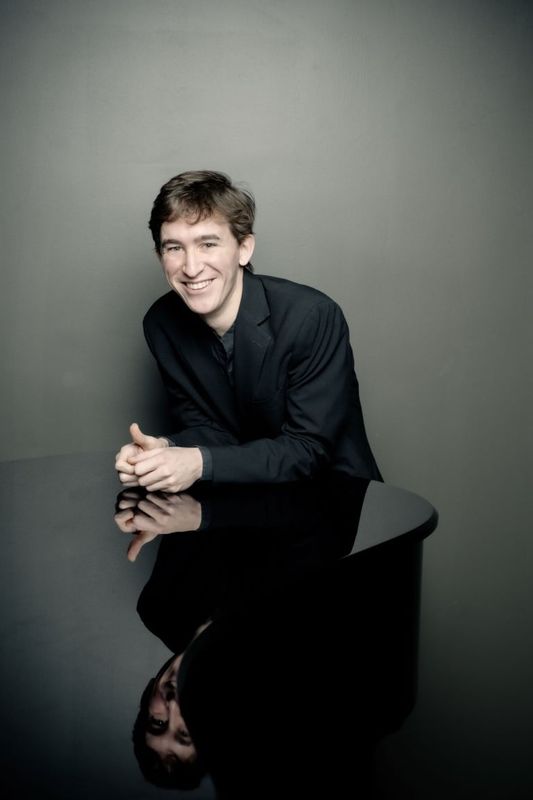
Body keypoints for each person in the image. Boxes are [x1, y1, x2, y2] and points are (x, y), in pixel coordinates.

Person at [115, 170, 381, 492]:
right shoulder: (162, 324)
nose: (191, 267)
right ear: (160, 256)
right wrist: (164, 450)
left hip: (334, 499)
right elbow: (211, 429)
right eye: (174, 248)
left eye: (207, 244)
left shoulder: (311, 316)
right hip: (242, 497)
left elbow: (309, 450)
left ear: (244, 248)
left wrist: (199, 463)